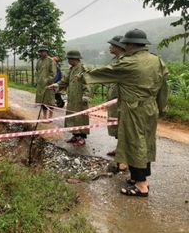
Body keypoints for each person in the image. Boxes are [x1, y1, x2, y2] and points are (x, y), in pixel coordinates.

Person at [83, 29, 169, 197]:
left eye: (125, 44)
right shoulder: (157, 60)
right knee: (145, 142)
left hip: (133, 109)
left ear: (129, 44)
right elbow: (163, 87)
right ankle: (142, 178)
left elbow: (104, 72)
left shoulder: (128, 63)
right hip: (150, 108)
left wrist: (83, 75)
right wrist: (161, 107)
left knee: (135, 143)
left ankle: (141, 185)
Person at [48, 50, 91, 146]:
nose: (68, 61)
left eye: (69, 59)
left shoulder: (82, 69)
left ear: (74, 59)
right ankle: (75, 136)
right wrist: (55, 85)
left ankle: (82, 138)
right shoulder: (71, 69)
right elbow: (64, 81)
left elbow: (87, 84)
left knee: (80, 118)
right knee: (72, 118)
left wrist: (86, 96)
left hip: (80, 99)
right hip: (72, 98)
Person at [105, 36, 125, 157]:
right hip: (115, 100)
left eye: (112, 45)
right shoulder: (116, 60)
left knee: (122, 125)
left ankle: (123, 152)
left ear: (119, 47)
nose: (110, 47)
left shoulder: (124, 61)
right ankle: (119, 148)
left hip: (122, 101)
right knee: (117, 125)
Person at [35, 45, 57, 121]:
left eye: (42, 51)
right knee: (43, 101)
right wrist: (38, 80)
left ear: (46, 52)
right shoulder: (38, 61)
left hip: (49, 85)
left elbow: (53, 74)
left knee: (50, 102)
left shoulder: (51, 61)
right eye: (40, 52)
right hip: (40, 85)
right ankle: (44, 116)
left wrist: (47, 80)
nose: (40, 53)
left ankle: (50, 117)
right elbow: (37, 71)